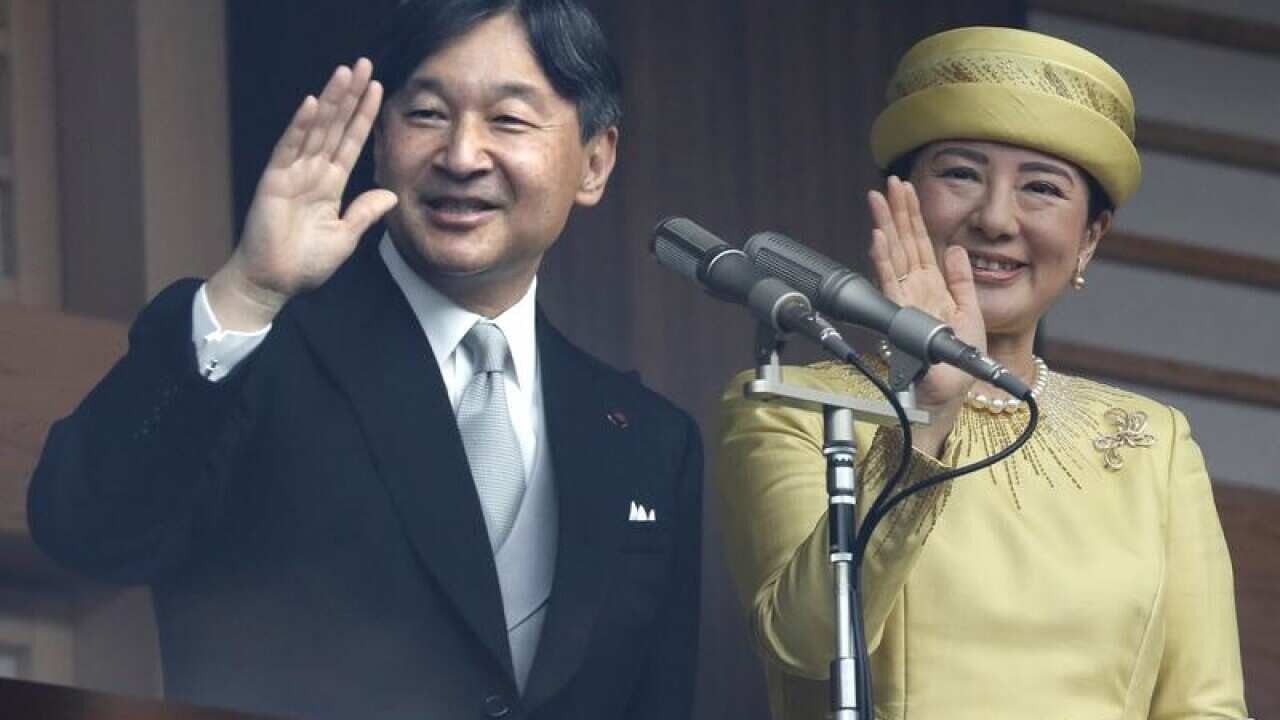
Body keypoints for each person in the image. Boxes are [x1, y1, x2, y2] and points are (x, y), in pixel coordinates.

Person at [28, 1, 702, 718]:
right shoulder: (255, 351)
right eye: (427, 114)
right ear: (380, 140)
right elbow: (84, 529)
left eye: (508, 120)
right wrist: (251, 291)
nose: (462, 155)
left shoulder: (652, 444)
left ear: (594, 162)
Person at [712, 27, 1247, 720]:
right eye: (961, 174)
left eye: (1041, 189)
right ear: (901, 199)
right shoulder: (793, 404)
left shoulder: (1155, 442)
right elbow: (808, 643)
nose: (996, 219)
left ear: (1090, 238)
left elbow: (1206, 707)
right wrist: (928, 407)